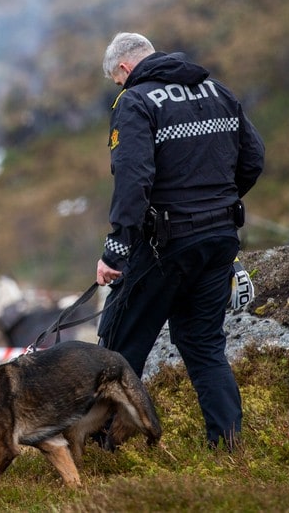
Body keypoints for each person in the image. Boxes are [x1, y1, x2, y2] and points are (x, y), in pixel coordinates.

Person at [94, 32, 264, 450]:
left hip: (163, 246)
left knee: (118, 346)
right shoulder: (217, 90)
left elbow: (134, 179)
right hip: (220, 239)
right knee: (205, 347)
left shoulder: (135, 101)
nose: (119, 87)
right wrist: (218, 205)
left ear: (124, 69)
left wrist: (117, 246)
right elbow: (254, 158)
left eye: (117, 80)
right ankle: (228, 447)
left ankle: (100, 443)